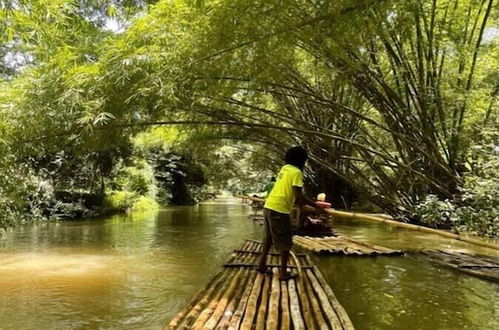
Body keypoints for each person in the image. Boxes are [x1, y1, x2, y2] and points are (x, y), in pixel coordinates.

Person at [256, 146, 328, 280]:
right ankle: (283, 274)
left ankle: (261, 265)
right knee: (285, 242)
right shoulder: (296, 173)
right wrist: (317, 206)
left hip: (268, 206)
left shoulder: (284, 169)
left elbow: (289, 193)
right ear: (302, 161)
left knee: (269, 239)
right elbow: (299, 198)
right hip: (279, 209)